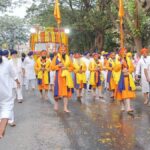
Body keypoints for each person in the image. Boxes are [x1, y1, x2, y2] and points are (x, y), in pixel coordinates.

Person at [0, 50, 20, 138]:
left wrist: (17, 81)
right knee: (7, 107)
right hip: (6, 91)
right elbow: (13, 74)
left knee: (7, 106)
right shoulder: (8, 61)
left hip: (5, 92)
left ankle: (6, 124)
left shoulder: (7, 63)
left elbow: (13, 74)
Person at [51, 45, 74, 112]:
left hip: (66, 78)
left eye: (64, 50)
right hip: (58, 77)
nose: (63, 51)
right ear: (59, 51)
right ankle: (56, 104)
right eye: (61, 50)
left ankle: (65, 108)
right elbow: (52, 67)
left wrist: (66, 68)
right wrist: (58, 66)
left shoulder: (68, 58)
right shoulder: (56, 58)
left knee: (66, 93)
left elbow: (72, 68)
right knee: (57, 92)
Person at [115, 49, 136, 113]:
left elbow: (133, 68)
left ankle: (128, 108)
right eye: (124, 52)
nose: (125, 53)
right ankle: (122, 105)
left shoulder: (128, 59)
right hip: (120, 78)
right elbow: (115, 69)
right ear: (121, 53)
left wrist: (128, 71)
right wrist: (120, 64)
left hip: (127, 78)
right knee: (120, 92)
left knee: (128, 92)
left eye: (125, 52)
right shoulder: (118, 59)